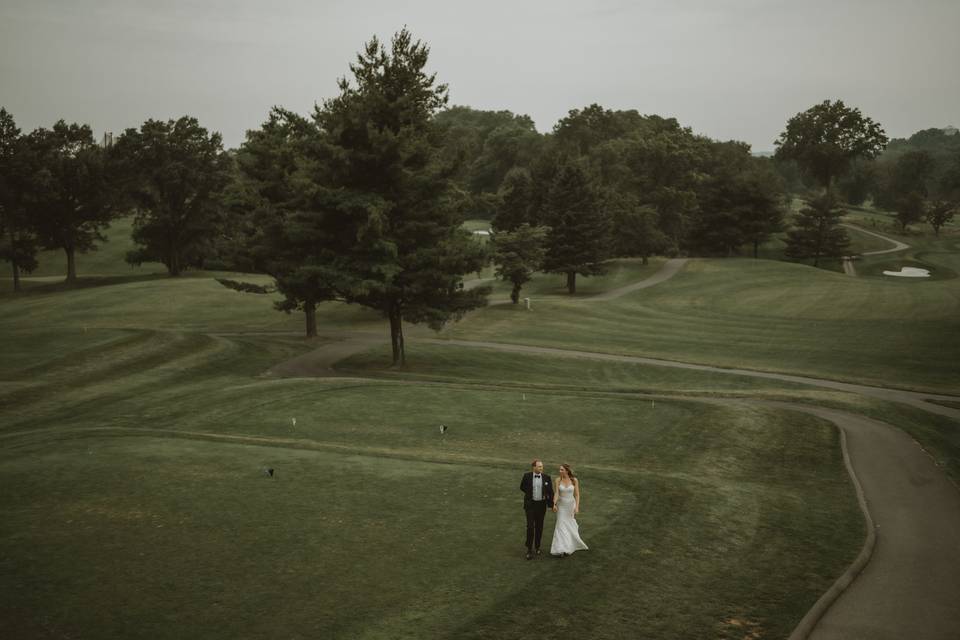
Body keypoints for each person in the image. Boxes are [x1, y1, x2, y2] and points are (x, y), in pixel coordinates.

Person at [550, 463, 588, 557]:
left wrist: (577, 507)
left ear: (567, 471)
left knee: (568, 525)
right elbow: (557, 493)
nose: (560, 471)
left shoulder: (574, 480)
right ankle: (561, 549)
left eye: (562, 470)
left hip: (570, 505)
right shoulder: (558, 480)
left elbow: (577, 494)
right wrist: (554, 504)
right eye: (559, 470)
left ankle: (568, 546)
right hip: (561, 506)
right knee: (560, 525)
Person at [519, 459, 554, 560]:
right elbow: (522, 487)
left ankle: (537, 546)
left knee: (539, 526)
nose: (541, 468)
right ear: (534, 467)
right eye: (539, 467)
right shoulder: (527, 476)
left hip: (541, 505)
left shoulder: (547, 477)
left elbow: (550, 492)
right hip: (530, 505)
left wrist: (551, 505)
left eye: (542, 466)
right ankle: (529, 549)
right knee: (530, 526)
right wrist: (530, 493)